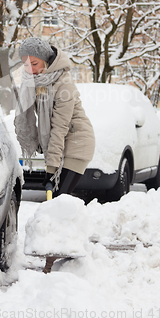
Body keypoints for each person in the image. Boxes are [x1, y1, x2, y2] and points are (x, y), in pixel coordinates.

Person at [14, 36, 95, 197]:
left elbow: (59, 127)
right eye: (26, 65)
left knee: (59, 199)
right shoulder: (32, 83)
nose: (30, 69)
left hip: (77, 142)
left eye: (34, 64)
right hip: (60, 143)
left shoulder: (63, 83)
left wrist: (51, 169)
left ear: (46, 60)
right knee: (58, 202)